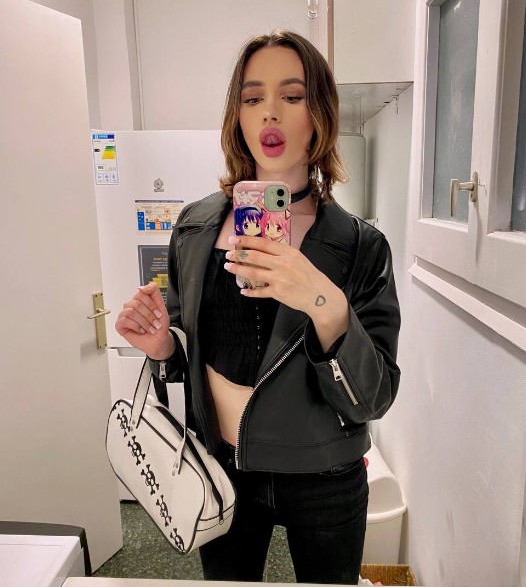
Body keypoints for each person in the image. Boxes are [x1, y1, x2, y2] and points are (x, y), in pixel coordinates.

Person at [115, 29, 401, 585]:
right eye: (253, 98)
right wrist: (164, 345)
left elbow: (375, 396)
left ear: (319, 114)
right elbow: (191, 344)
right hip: (220, 465)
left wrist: (321, 300)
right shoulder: (195, 227)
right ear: (238, 116)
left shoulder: (360, 245)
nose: (270, 112)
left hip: (324, 471)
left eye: (292, 96)